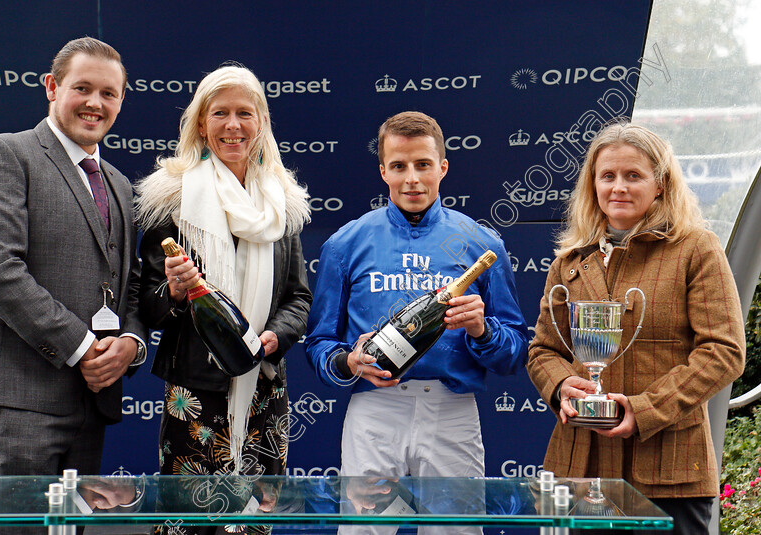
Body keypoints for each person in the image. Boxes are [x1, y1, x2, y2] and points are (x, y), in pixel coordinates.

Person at [304, 111, 530, 534]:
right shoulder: (345, 243)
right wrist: (348, 363)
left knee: (456, 531)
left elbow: (516, 350)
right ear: (383, 171)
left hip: (451, 408)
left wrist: (483, 331)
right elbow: (318, 342)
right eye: (399, 166)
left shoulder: (483, 244)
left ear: (443, 167)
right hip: (375, 408)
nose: (412, 179)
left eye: (423, 165)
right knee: (364, 532)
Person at [0, 36, 147, 515]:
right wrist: (83, 348)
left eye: (109, 93)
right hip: (17, 397)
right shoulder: (3, 154)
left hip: (91, 400)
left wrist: (130, 344)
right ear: (51, 86)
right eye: (82, 88)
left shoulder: (121, 185)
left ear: (122, 100)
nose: (95, 103)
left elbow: (133, 284)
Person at [527, 122, 746, 534]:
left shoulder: (696, 249)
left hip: (669, 468)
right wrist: (560, 387)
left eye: (633, 175)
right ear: (593, 184)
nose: (619, 187)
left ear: (660, 184)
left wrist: (643, 410)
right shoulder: (570, 262)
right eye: (607, 176)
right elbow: (543, 351)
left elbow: (724, 351)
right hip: (580, 466)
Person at [135, 64, 312, 535]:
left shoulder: (282, 204)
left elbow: (297, 297)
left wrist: (276, 335)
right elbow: (148, 305)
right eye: (220, 114)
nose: (233, 125)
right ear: (200, 123)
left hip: (265, 387)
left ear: (262, 123)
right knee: (188, 521)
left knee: (255, 523)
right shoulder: (170, 200)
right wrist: (173, 290)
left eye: (244, 113)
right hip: (195, 390)